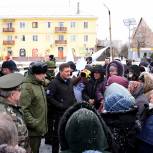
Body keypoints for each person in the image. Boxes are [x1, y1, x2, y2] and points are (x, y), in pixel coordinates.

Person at [46, 63, 76, 153]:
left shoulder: (70, 81)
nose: (68, 73)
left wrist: (75, 105)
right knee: (57, 136)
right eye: (66, 71)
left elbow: (72, 94)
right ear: (60, 72)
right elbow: (49, 97)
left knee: (68, 134)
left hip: (70, 112)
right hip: (59, 114)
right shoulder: (54, 83)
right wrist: (60, 105)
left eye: (69, 71)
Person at [20, 61, 48, 153]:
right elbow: (23, 109)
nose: (44, 76)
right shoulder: (27, 87)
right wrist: (35, 124)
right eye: (42, 74)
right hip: (32, 132)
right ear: (34, 74)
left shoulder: (38, 83)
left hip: (38, 130)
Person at [0, 73, 30, 152]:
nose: (21, 93)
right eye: (19, 90)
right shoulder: (5, 114)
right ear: (12, 95)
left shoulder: (11, 106)